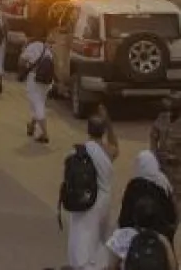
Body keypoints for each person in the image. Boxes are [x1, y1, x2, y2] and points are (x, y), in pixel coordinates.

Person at [68, 110, 121, 270]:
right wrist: (109, 122)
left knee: (81, 234)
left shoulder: (78, 152)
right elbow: (116, 145)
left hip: (82, 197)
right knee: (99, 236)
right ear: (103, 131)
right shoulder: (109, 151)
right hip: (103, 200)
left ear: (88, 130)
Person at [119, 151, 178, 242]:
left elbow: (124, 218)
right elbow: (171, 214)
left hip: (134, 235)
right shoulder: (163, 182)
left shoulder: (132, 185)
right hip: (160, 235)